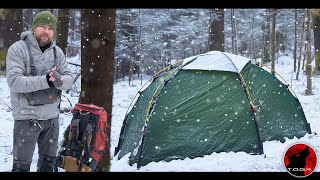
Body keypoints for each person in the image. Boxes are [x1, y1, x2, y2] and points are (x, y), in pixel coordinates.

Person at [6, 11, 74, 172]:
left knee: (48, 165)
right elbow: (15, 82)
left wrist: (60, 81)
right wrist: (46, 80)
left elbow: (69, 80)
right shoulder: (18, 49)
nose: (46, 32)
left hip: (51, 119)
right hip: (26, 118)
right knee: (21, 167)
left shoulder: (57, 52)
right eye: (43, 27)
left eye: (50, 28)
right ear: (34, 28)